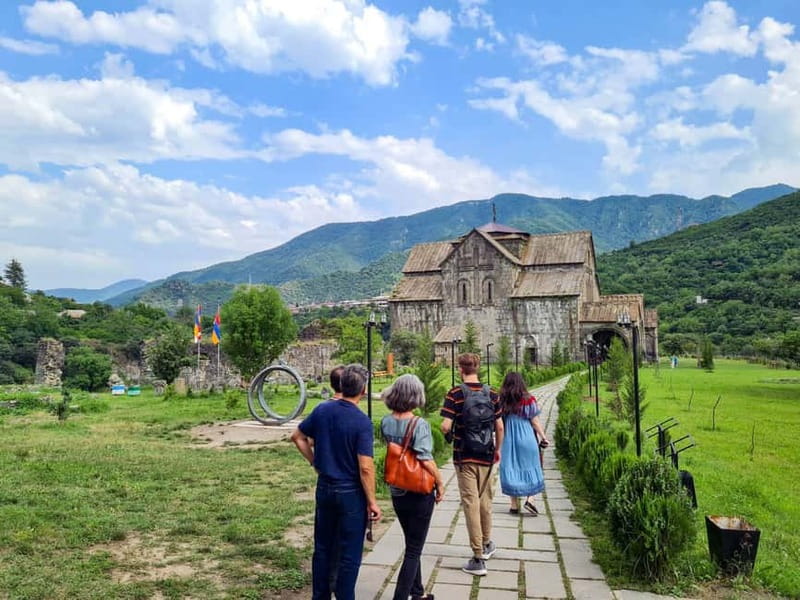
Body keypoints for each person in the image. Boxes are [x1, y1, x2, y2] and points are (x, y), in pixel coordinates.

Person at [291, 364, 381, 600]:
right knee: (349, 553)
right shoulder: (362, 422)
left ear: (341, 385)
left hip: (326, 488)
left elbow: (297, 437)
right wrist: (372, 501)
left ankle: (319, 596)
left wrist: (316, 463)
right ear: (363, 390)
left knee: (322, 548)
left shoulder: (322, 410)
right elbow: (365, 467)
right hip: (351, 493)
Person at [381, 374, 444, 600]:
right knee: (414, 550)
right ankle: (401, 596)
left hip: (398, 489)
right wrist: (440, 481)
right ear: (417, 395)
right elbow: (425, 459)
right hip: (419, 491)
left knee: (411, 542)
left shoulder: (386, 421)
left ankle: (417, 593)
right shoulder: (420, 424)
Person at [441, 353, 504, 577]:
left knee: (470, 503)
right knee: (485, 500)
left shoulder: (455, 394)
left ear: (460, 369)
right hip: (486, 455)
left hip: (464, 455)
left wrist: (448, 435)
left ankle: (477, 558)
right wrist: (497, 450)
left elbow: (446, 426)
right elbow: (500, 427)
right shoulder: (492, 393)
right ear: (478, 368)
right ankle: (487, 544)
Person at [498, 372, 549, 516]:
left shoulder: (501, 400)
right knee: (532, 465)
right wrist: (544, 437)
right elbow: (535, 421)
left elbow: (498, 421)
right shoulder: (528, 399)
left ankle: (514, 505)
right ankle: (530, 499)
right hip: (527, 437)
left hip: (509, 438)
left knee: (511, 466)